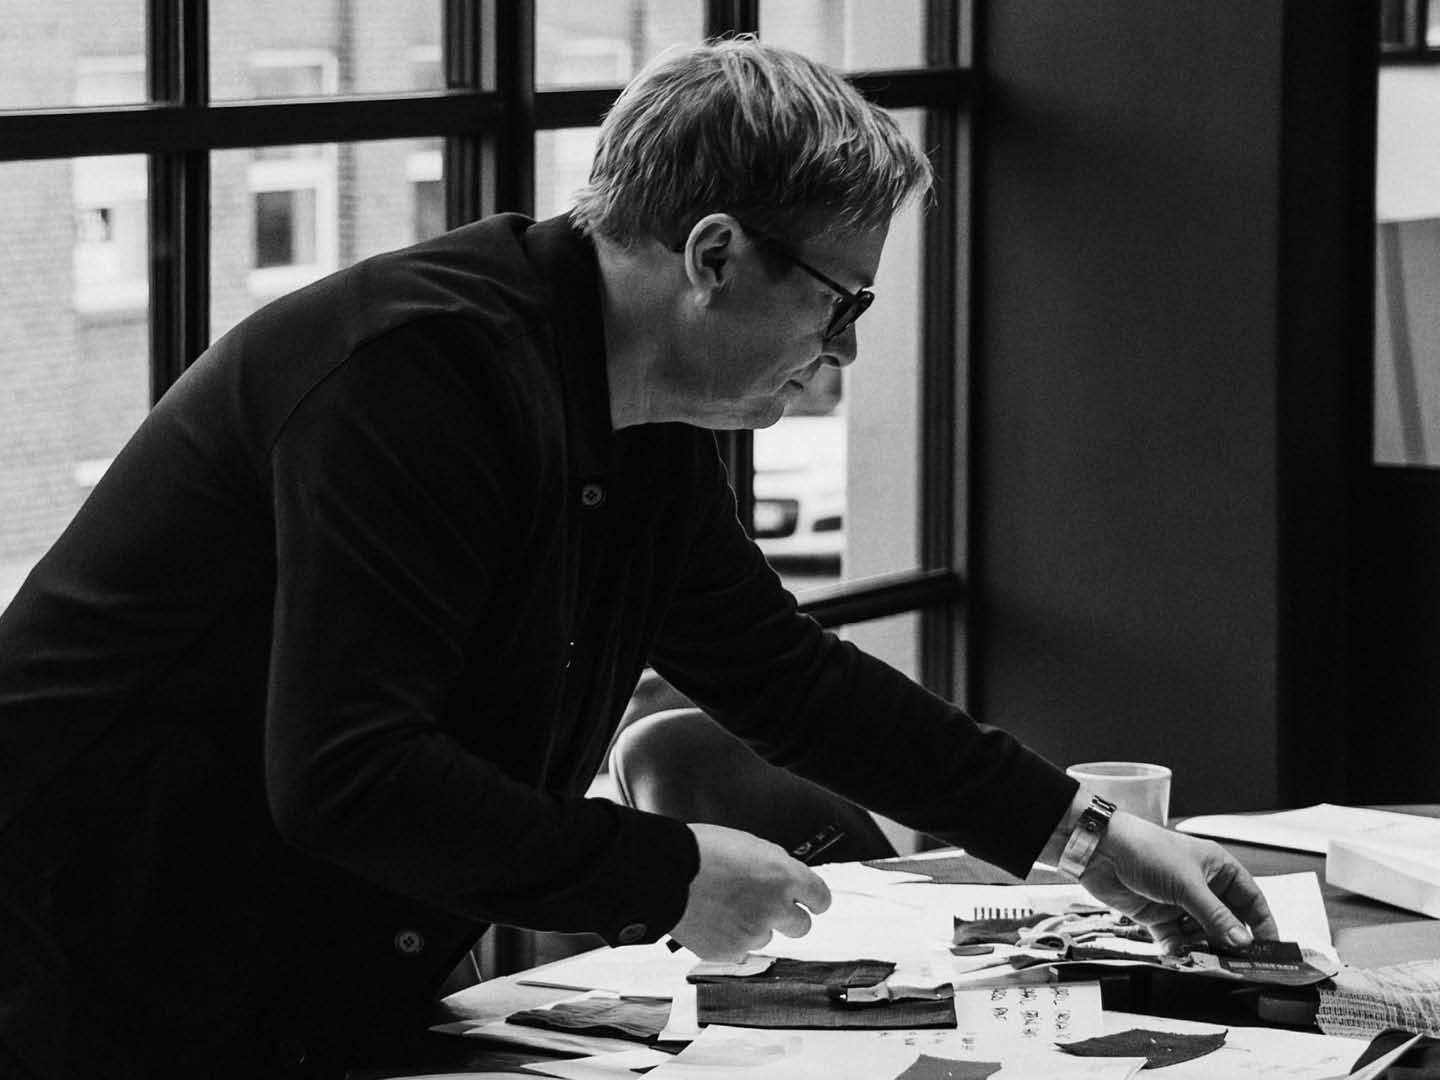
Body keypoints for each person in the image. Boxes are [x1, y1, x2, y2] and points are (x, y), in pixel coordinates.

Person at [0, 37, 1276, 1079]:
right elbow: (348, 773)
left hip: (265, 969)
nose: (845, 348)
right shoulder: (413, 380)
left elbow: (783, 675)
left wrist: (1087, 836)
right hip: (76, 966)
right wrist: (666, 875)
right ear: (714, 256)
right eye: (841, 301)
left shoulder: (642, 412)